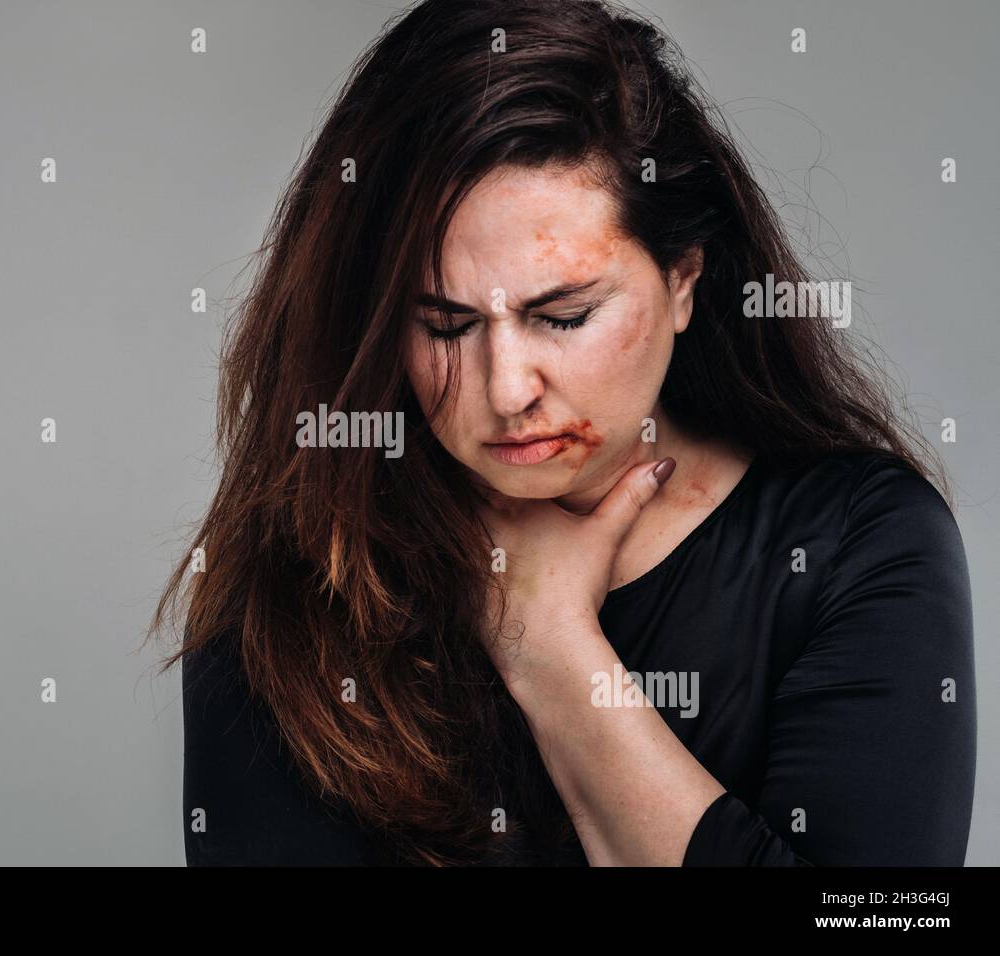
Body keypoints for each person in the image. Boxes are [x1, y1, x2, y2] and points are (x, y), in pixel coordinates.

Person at [151, 0, 976, 865]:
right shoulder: (300, 583)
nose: (506, 390)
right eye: (444, 325)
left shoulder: (857, 545)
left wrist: (552, 651)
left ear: (683, 281)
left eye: (564, 316)